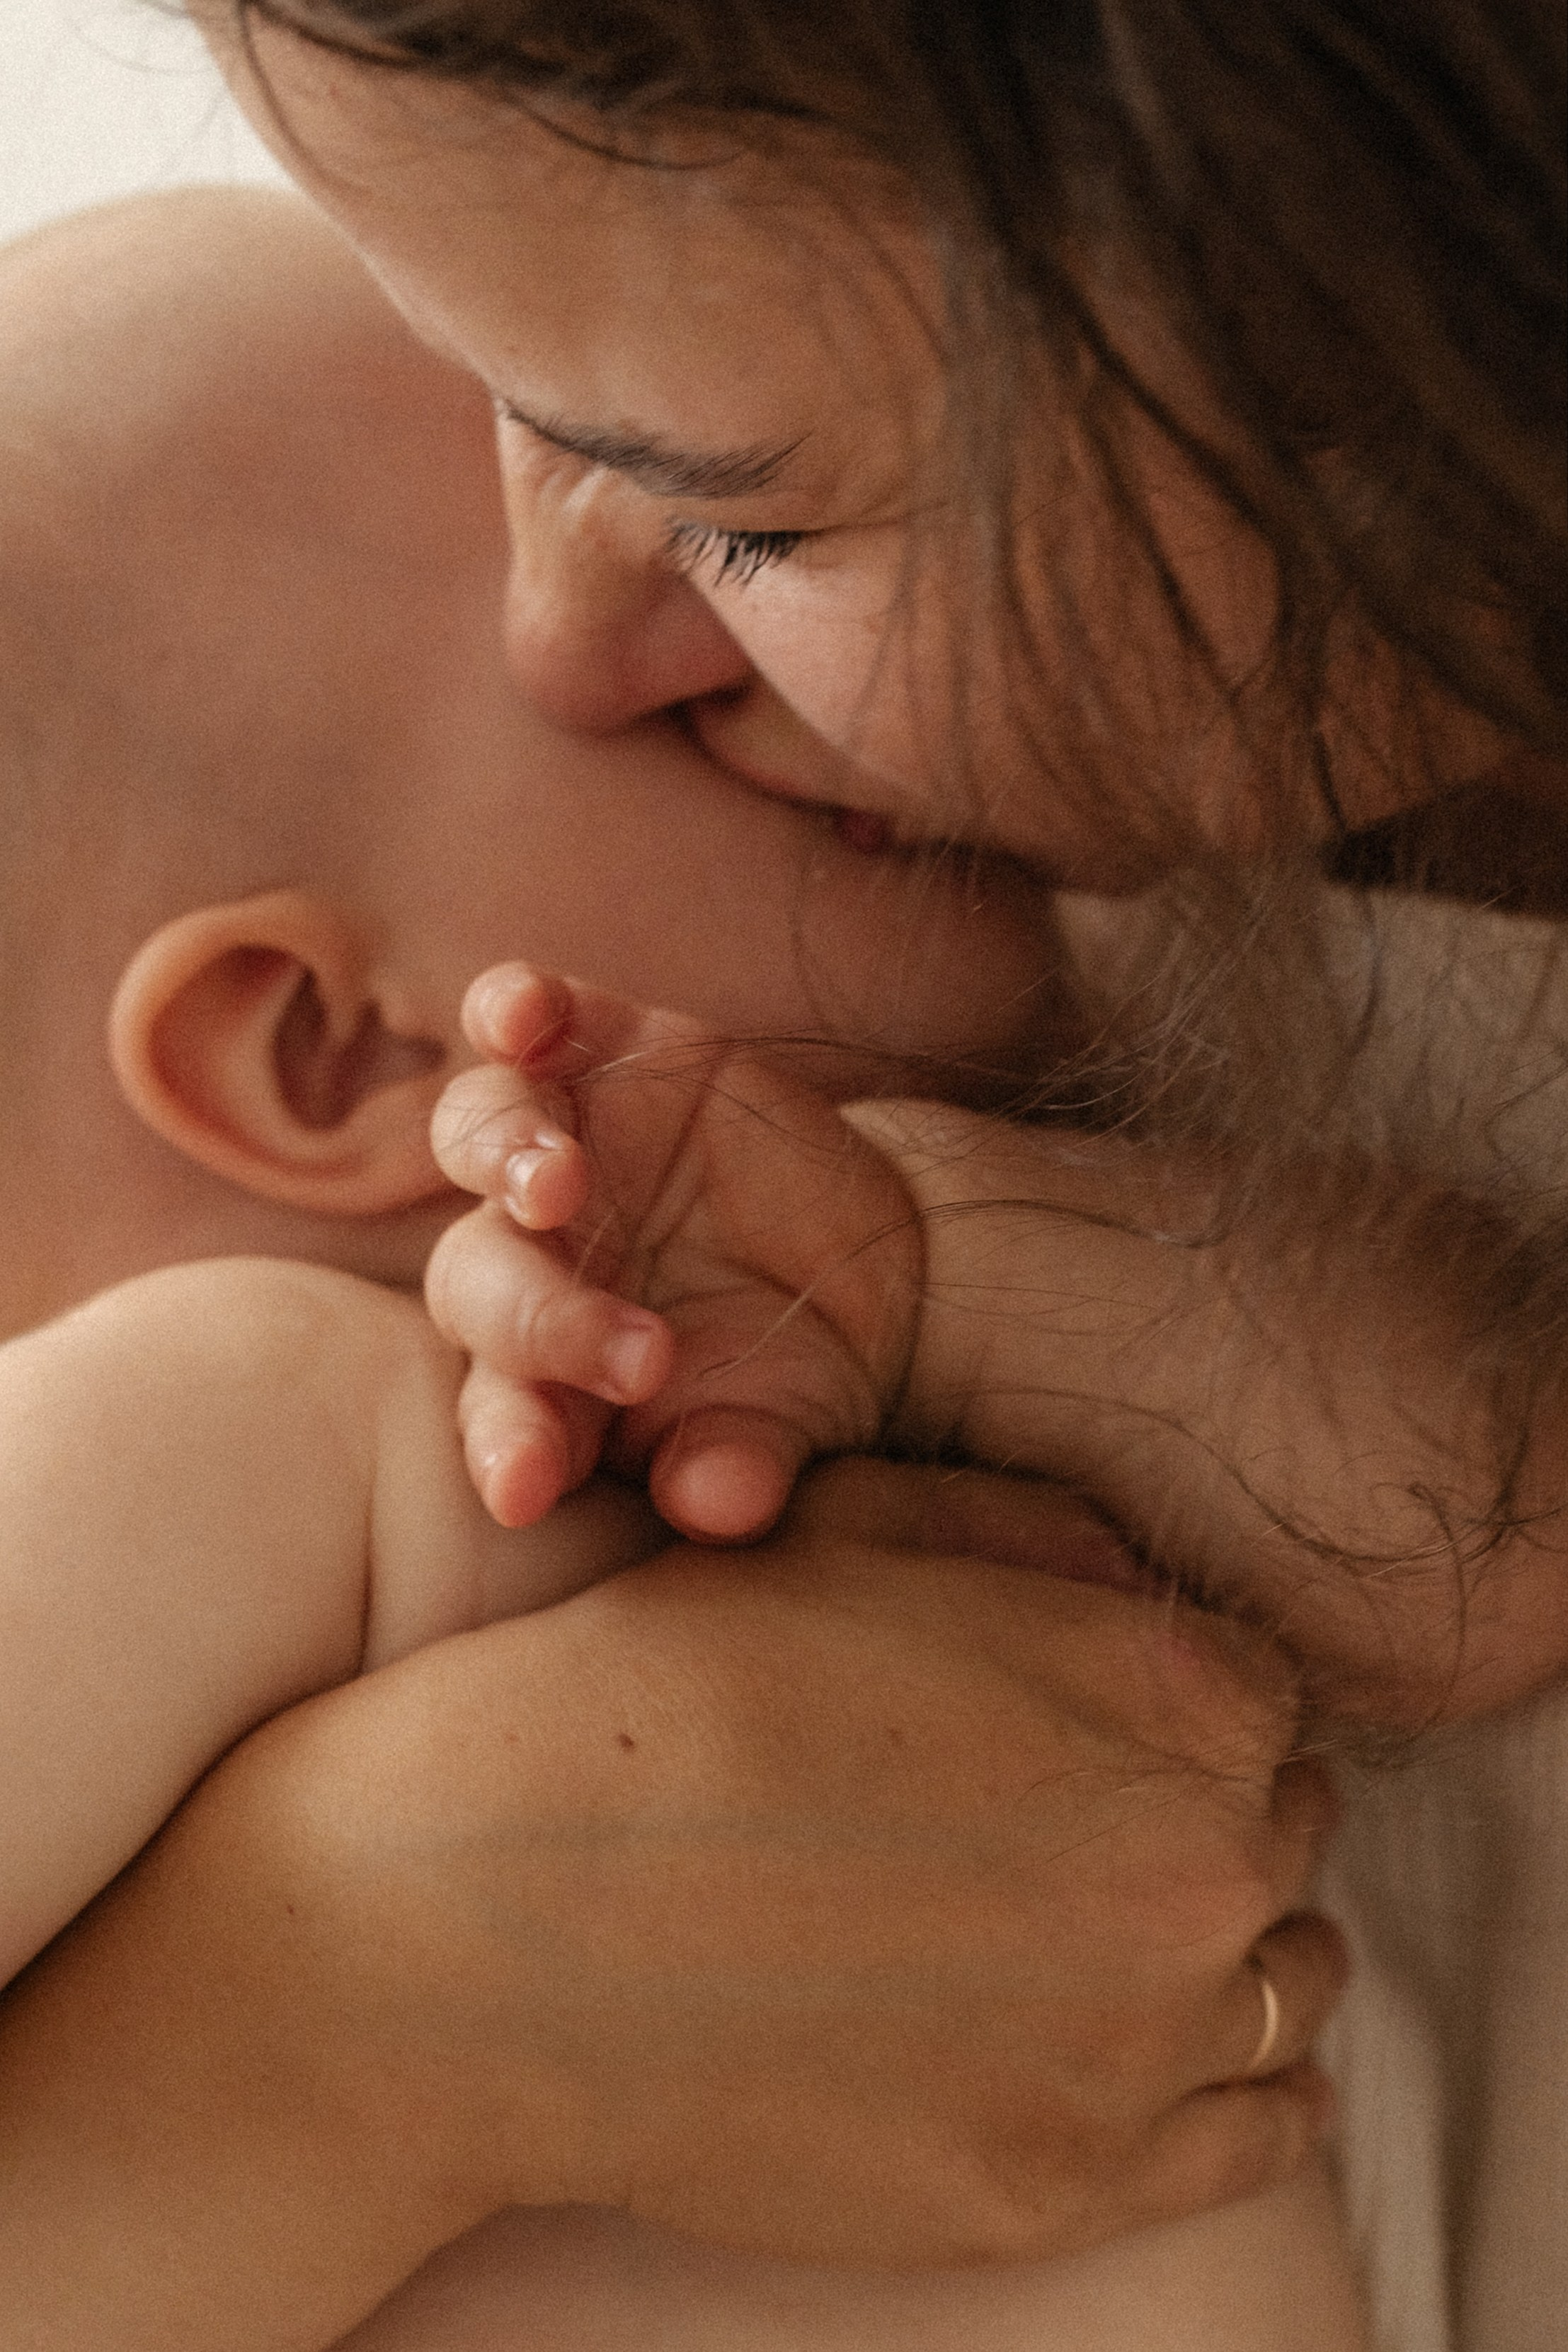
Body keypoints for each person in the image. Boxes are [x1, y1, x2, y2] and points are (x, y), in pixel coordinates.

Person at [4, 0, 1561, 2329]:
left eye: (735, 498)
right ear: (322, 1042)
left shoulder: (950, 1244)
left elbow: (1507, 1543)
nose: (583, 605)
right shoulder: (212, 1438)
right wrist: (342, 2026)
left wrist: (961, 1279)